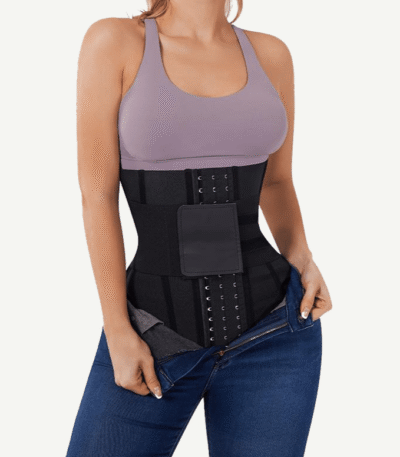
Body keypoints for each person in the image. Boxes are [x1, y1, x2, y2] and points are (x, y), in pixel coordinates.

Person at [66, 0, 332, 455]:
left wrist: (301, 255)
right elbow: (97, 195)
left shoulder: (271, 54)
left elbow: (277, 181)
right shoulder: (115, 42)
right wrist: (117, 329)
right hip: (153, 335)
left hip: (274, 334)